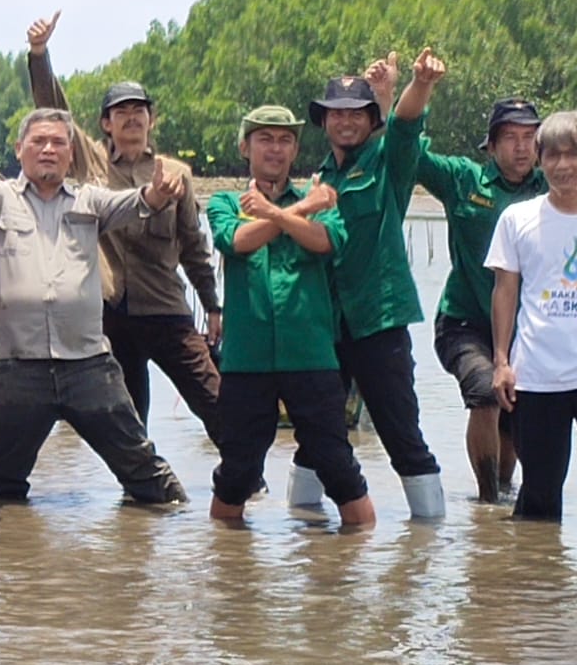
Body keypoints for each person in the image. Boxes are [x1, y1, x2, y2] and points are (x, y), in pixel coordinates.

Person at [0, 108, 189, 505]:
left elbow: (137, 203)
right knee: (3, 487)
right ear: (19, 149)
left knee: (149, 478)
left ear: (70, 152)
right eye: (39, 142)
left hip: (87, 364)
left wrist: (158, 194)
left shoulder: (89, 200)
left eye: (59, 142)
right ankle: (7, 564)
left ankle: (172, 552)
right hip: (17, 366)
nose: (49, 149)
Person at [25, 11, 224, 442]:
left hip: (166, 308)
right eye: (122, 112)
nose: (132, 118)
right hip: (112, 313)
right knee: (128, 424)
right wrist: (40, 55)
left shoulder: (175, 173)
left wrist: (212, 304)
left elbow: (193, 246)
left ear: (151, 120)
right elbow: (53, 111)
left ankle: (243, 485)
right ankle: (142, 501)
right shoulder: (92, 163)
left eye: (140, 111)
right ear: (106, 123)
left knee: (217, 402)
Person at [206, 107, 376, 527]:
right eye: (265, 139)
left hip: (311, 355)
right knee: (237, 472)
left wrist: (280, 212)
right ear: (246, 147)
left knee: (337, 465)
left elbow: (326, 241)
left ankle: (367, 570)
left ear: (296, 149)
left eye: (285, 140)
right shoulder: (226, 201)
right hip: (248, 360)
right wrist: (299, 209)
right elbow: (239, 240)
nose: (275, 149)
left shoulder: (321, 199)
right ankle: (227, 569)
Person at [296, 49, 446, 518]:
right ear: (324, 121)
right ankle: (302, 525)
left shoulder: (388, 164)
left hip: (379, 323)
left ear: (369, 118)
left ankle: (429, 537)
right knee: (315, 435)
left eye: (356, 114)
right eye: (336, 113)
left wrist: (418, 84)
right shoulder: (320, 178)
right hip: (328, 326)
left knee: (401, 434)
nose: (345, 122)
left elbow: (405, 127)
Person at [416, 97, 546, 501]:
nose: (521, 147)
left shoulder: (554, 188)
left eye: (530, 138)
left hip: (528, 328)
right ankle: (488, 501)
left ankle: (504, 493)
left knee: (514, 415)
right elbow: (411, 155)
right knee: (485, 392)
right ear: (490, 146)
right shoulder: (464, 180)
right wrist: (407, 97)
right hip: (464, 323)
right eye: (510, 138)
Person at [487, 111, 577, 521]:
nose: (564, 166)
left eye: (573, 155)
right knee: (540, 496)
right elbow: (505, 291)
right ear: (541, 161)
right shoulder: (517, 219)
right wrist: (502, 362)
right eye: (553, 155)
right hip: (539, 376)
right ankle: (534, 580)